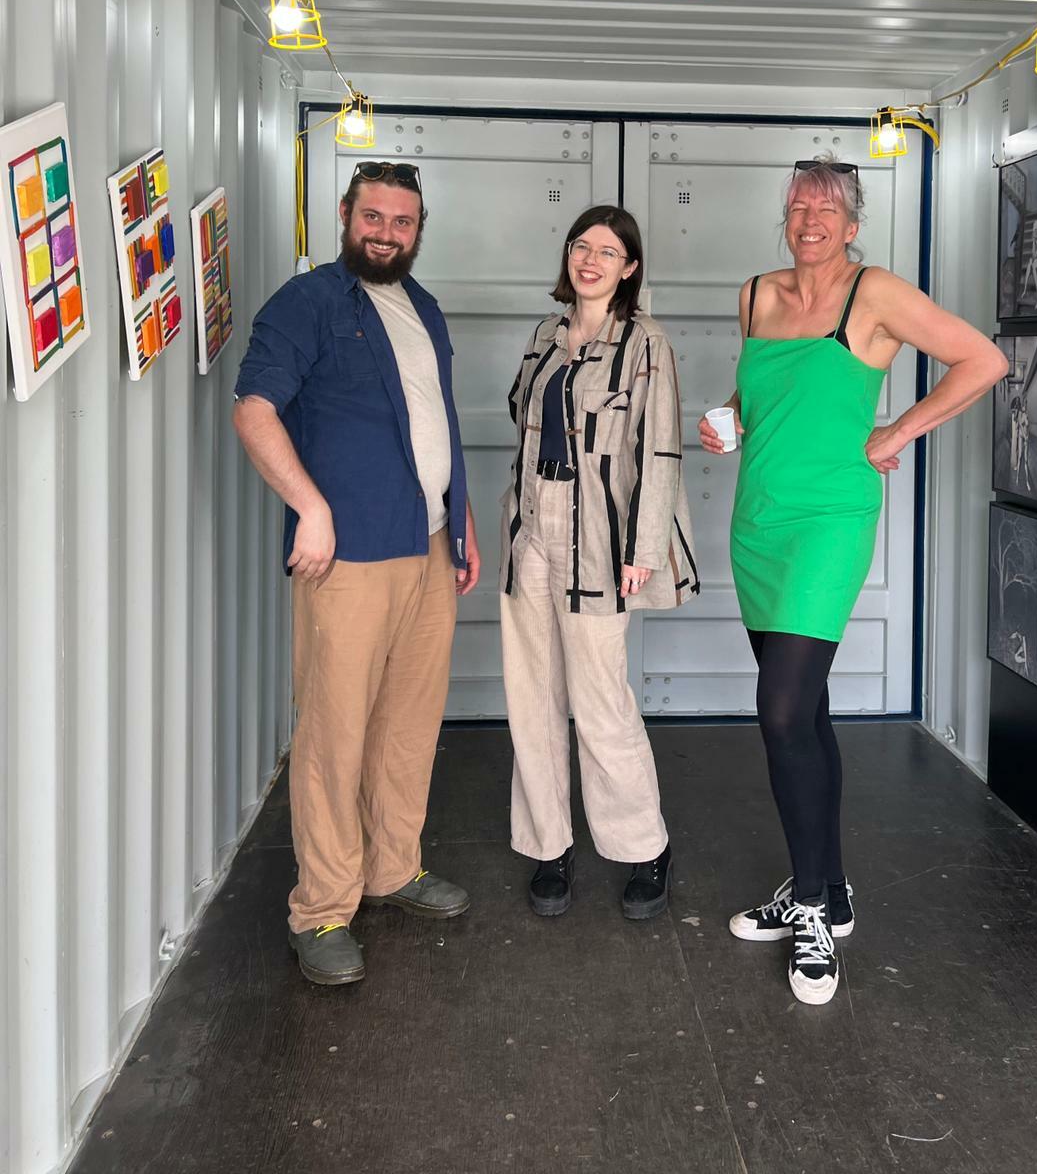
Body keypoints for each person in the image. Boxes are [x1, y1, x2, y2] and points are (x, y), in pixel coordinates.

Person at [700, 157, 1005, 1007]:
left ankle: (808, 911)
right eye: (798, 205)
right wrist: (729, 417)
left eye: (826, 207)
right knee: (811, 714)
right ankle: (828, 895)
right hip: (758, 520)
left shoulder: (874, 293)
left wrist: (898, 429)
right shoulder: (758, 293)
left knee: (783, 709)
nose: (809, 219)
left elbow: (981, 361)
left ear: (853, 221)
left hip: (830, 521)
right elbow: (764, 389)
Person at [233, 160, 481, 987]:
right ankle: (324, 908)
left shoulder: (423, 307)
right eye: (373, 216)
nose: (386, 232)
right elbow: (255, 409)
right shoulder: (306, 303)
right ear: (346, 216)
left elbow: (434, 421)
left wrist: (464, 519)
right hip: (348, 558)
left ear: (418, 231)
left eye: (402, 222)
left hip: (430, 547)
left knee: (408, 726)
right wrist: (310, 505)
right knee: (335, 734)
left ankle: (391, 869)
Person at [500, 204, 699, 920]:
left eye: (608, 252)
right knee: (533, 697)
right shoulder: (545, 335)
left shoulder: (645, 343)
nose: (590, 260)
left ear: (630, 268)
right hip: (532, 533)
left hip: (598, 538)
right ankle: (549, 845)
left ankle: (645, 847)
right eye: (581, 247)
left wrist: (643, 551)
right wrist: (521, 530)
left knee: (601, 702)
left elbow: (662, 449)